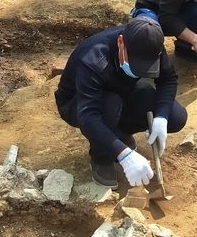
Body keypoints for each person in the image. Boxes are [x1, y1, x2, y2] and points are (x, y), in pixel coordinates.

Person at [55, 17, 187, 187]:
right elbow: (88, 116)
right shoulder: (93, 59)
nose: (140, 69)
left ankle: (121, 132)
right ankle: (101, 158)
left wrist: (161, 117)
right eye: (136, 63)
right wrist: (124, 155)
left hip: (123, 90)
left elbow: (168, 79)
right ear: (120, 43)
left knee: (175, 116)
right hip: (78, 103)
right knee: (110, 103)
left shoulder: (151, 44)